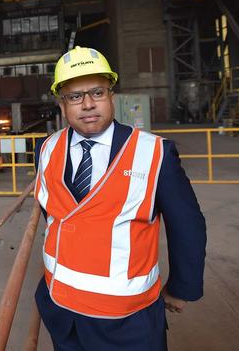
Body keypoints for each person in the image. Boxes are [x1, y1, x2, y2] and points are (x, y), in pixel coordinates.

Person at [34, 46, 206, 351]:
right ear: (62, 105)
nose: (87, 104)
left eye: (97, 93)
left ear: (111, 96)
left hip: (126, 319)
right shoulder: (46, 149)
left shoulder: (155, 154)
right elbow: (54, 213)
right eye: (75, 96)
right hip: (59, 307)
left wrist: (182, 287)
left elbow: (187, 225)